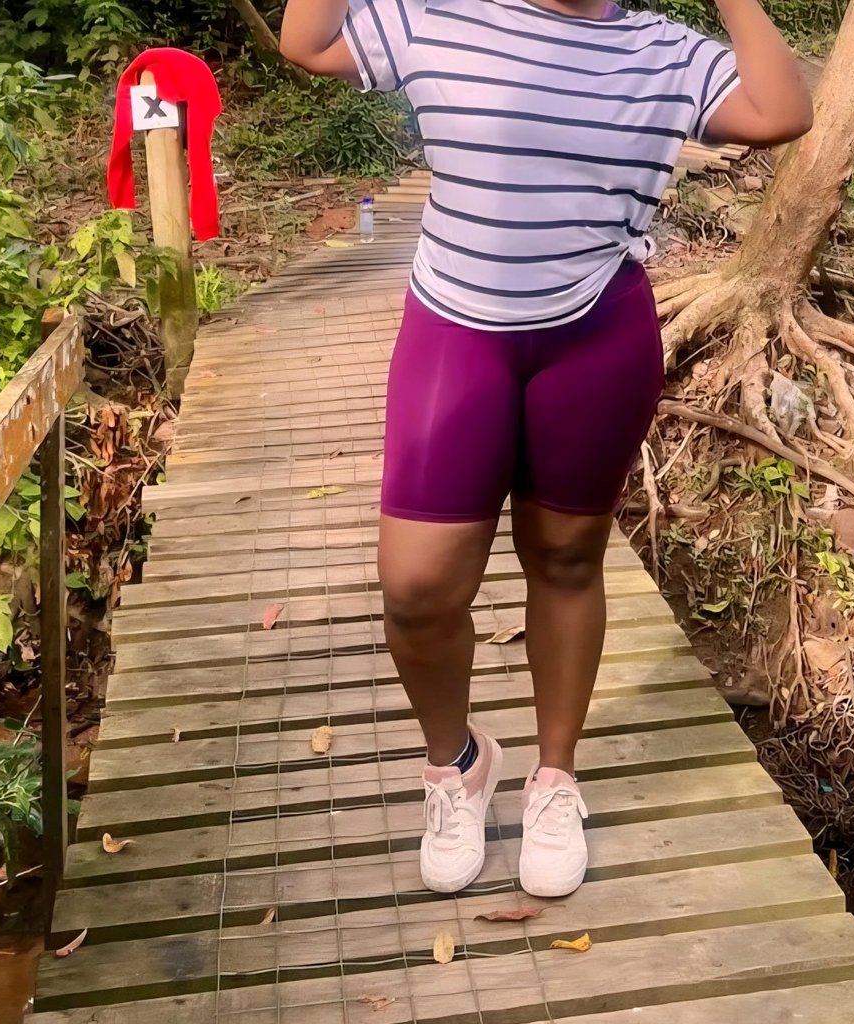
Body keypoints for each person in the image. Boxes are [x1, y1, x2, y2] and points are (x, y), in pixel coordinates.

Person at [279, 0, 811, 898]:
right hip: (455, 333)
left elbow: (781, 111)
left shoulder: (661, 52)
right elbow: (308, 42)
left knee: (566, 557)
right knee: (416, 586)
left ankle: (554, 778)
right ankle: (456, 765)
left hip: (595, 336)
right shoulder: (439, 15)